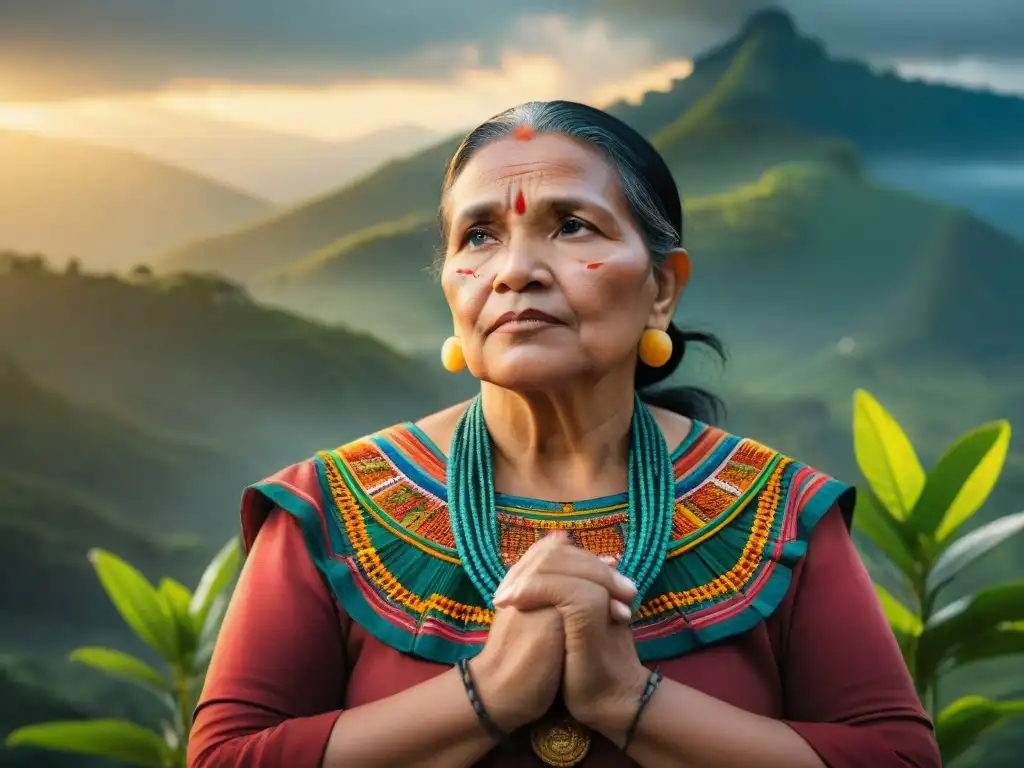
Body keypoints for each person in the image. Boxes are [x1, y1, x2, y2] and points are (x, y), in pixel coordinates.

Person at [187, 101, 941, 768]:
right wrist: (489, 691)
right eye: (479, 236)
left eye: (571, 226)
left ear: (662, 288)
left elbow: (899, 758)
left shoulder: (779, 512)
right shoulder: (326, 511)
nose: (515, 271)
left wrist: (625, 697)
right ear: (449, 284)